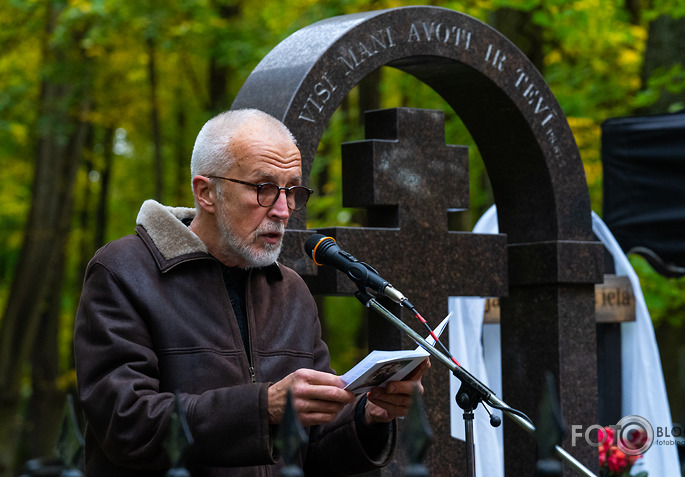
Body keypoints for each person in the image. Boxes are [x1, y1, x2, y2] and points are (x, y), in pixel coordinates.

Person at [74, 109, 430, 476]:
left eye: (293, 191)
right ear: (206, 192)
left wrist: (367, 416)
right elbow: (126, 426)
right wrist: (263, 409)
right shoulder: (124, 271)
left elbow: (311, 448)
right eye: (264, 189)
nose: (283, 210)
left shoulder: (290, 291)